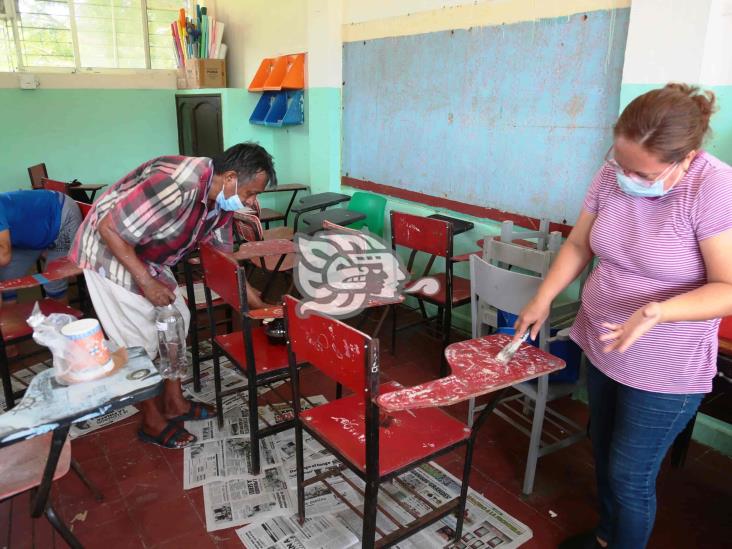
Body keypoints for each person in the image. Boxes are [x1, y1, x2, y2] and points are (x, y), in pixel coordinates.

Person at [513, 84, 732, 549]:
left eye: (642, 172)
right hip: (604, 341)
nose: (626, 176)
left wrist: (658, 311)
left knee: (630, 475)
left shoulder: (714, 187)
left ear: (686, 158)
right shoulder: (613, 170)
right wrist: (544, 297)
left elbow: (727, 288)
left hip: (666, 363)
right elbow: (579, 243)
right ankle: (607, 538)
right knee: (603, 451)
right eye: (621, 163)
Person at [69, 143, 277, 449]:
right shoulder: (177, 184)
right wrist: (147, 283)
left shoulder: (221, 201)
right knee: (137, 341)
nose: (252, 201)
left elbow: (222, 259)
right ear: (231, 177)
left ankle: (174, 403)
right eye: (251, 193)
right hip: (108, 252)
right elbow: (109, 229)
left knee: (177, 319)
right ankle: (152, 421)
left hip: (147, 254)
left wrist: (255, 302)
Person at [0, 189, 83, 304]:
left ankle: (63, 320)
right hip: (36, 231)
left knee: (53, 281)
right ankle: (7, 321)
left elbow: (4, 257)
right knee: (5, 283)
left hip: (64, 219)